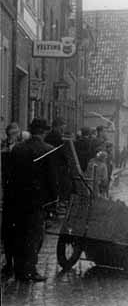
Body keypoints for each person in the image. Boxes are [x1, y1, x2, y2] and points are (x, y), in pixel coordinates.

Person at [5, 119, 57, 281]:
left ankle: (19, 269)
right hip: (37, 202)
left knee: (19, 234)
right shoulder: (48, 150)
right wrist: (53, 201)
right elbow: (52, 180)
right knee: (35, 236)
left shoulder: (18, 149)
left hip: (16, 199)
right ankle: (30, 270)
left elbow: (9, 174)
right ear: (44, 132)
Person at [1, 123, 20, 276]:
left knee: (15, 231)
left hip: (15, 193)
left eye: (14, 134)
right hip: (7, 193)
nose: (11, 136)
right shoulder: (3, 147)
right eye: (10, 134)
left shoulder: (21, 148)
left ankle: (14, 263)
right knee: (8, 231)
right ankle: (9, 263)